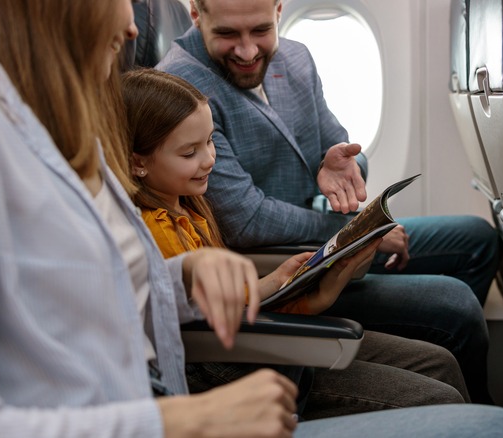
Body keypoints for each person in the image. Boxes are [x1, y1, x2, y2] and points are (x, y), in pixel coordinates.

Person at [0, 0, 503, 437]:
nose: (130, 25)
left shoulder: (56, 122)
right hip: (169, 413)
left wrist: (186, 274)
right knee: (501, 432)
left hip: (170, 394)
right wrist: (182, 421)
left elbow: (91, 294)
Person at [157, 0, 498, 404]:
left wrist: (338, 164)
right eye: (228, 34)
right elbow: (248, 221)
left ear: (280, 10)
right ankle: (475, 417)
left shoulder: (297, 58)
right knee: (454, 307)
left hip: (324, 234)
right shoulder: (182, 87)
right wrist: (354, 234)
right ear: (197, 16)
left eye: (261, 31)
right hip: (282, 257)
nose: (248, 51)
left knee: (477, 239)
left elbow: (344, 149)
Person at [122, 67, 471, 417]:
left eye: (210, 141)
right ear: (138, 163)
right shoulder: (159, 230)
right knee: (440, 395)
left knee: (439, 362)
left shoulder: (190, 206)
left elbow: (224, 300)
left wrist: (280, 282)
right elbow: (209, 322)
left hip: (254, 337)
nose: (210, 159)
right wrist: (307, 302)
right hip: (235, 363)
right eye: (189, 153)